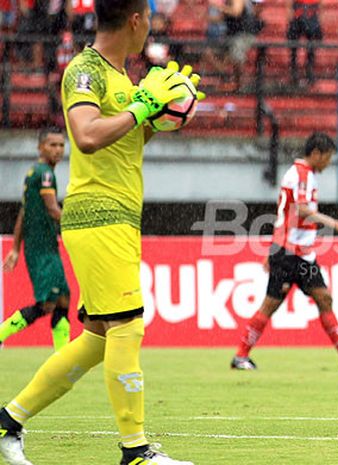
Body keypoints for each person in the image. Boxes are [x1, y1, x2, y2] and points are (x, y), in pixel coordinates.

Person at [0, 0, 204, 463]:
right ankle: (136, 451)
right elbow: (88, 135)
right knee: (128, 325)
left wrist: (166, 115)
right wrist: (142, 106)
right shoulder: (84, 71)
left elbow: (127, 135)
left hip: (118, 215)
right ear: (135, 21)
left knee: (95, 338)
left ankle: (9, 419)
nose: (150, 29)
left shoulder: (123, 78)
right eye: (149, 21)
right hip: (98, 214)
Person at [232, 133, 338, 371]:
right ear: (316, 153)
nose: (328, 163)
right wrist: (336, 225)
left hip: (298, 253)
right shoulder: (301, 174)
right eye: (327, 157)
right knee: (271, 304)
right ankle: (240, 356)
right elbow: (300, 209)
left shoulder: (300, 174)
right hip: (289, 253)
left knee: (324, 298)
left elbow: (287, 213)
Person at [1, 127, 71, 352]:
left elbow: (24, 212)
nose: (58, 150)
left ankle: (62, 356)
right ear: (40, 147)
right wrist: (78, 227)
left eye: (61, 145)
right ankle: (1, 333)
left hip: (45, 246)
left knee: (63, 300)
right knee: (47, 304)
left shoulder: (33, 173)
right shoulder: (45, 174)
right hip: (42, 249)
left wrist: (14, 248)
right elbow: (52, 209)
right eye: (52, 145)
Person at [286, 0, 322, 85]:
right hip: (300, 9)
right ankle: (296, 73)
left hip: (310, 9)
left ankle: (307, 72)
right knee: (294, 47)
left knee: (310, 47)